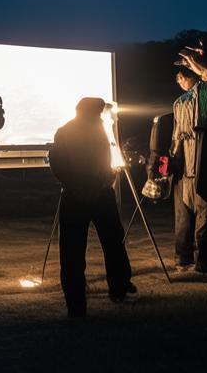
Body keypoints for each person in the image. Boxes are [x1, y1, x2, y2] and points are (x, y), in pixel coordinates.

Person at [49, 97, 135, 317]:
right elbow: (102, 162)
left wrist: (73, 186)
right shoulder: (95, 130)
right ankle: (119, 287)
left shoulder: (65, 131)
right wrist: (106, 180)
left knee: (72, 251)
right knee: (112, 243)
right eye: (97, 114)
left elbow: (57, 164)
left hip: (75, 196)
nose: (100, 117)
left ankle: (76, 303)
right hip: (98, 195)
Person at [171, 65, 207, 275]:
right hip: (185, 168)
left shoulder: (204, 94)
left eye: (182, 77)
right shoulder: (179, 102)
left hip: (201, 164)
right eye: (178, 79)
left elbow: (206, 120)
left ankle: (203, 261)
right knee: (184, 217)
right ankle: (184, 258)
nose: (180, 82)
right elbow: (176, 134)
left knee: (203, 216)